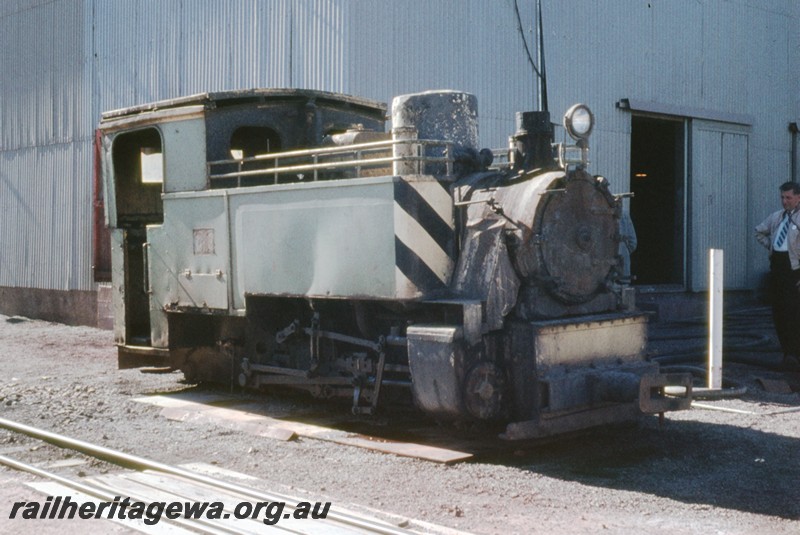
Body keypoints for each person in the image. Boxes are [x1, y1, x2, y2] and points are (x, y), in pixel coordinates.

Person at [755, 181, 800, 367]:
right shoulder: (777, 217)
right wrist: (771, 248)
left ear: (798, 198)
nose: (784, 201)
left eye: (788, 197)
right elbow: (759, 232)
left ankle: (796, 353)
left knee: (793, 313)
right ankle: (787, 353)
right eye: (782, 197)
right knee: (779, 312)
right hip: (777, 268)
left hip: (794, 271)